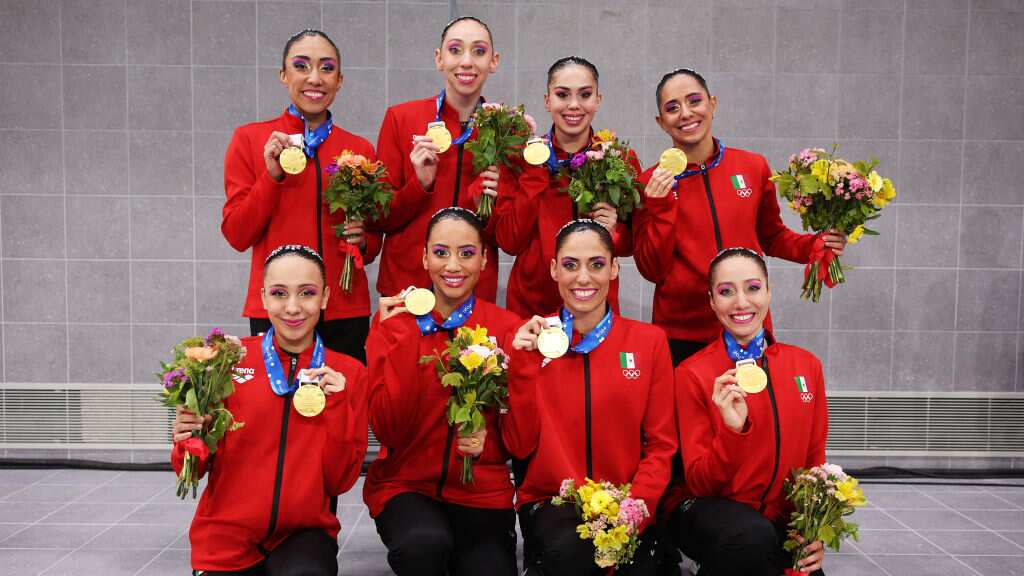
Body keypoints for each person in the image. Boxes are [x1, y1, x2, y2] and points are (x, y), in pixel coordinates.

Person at [171, 244, 368, 575]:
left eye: (307, 293)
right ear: (263, 298)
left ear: (325, 297)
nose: (292, 307)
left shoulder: (347, 373)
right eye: (279, 293)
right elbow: (190, 469)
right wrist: (189, 437)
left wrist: (337, 408)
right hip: (226, 535)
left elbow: (340, 480)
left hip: (303, 535)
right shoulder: (225, 361)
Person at [633, 68, 846, 366]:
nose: (685, 113)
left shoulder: (752, 166)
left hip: (747, 323)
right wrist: (660, 207)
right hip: (683, 332)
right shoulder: (649, 183)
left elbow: (772, 236)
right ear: (661, 122)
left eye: (694, 101)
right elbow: (652, 269)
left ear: (713, 104)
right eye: (672, 107)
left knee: (751, 413)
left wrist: (815, 246)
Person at [502, 219, 677, 576]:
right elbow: (517, 447)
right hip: (554, 502)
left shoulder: (649, 342)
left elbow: (661, 446)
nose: (583, 278)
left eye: (596, 264)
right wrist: (521, 367)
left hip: (626, 501)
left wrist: (633, 508)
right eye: (570, 265)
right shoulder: (530, 340)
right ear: (554, 269)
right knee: (575, 555)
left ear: (614, 268)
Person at [364, 207, 520, 575]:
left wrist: (488, 445)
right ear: (424, 257)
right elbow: (387, 428)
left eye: (467, 253)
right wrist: (397, 336)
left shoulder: (505, 328)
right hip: (406, 486)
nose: (453, 265)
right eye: (440, 252)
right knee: (424, 546)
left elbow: (522, 435)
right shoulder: (394, 323)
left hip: (482, 491)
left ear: (484, 259)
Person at [665, 247, 828, 576]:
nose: (741, 303)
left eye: (753, 288)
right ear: (712, 301)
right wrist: (732, 431)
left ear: (769, 291)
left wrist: (813, 530)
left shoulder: (806, 366)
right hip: (703, 510)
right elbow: (700, 483)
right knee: (750, 537)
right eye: (726, 292)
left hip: (773, 520)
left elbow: (813, 461)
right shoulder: (693, 374)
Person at [222, 29, 378, 363]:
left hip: (344, 308)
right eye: (302, 66)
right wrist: (272, 175)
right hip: (279, 307)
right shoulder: (250, 140)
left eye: (326, 68)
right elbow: (237, 233)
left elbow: (374, 241)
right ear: (284, 75)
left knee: (344, 406)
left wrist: (363, 240)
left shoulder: (360, 150)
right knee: (278, 409)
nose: (315, 78)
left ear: (340, 80)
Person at [494, 56, 637, 318]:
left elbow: (631, 244)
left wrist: (614, 229)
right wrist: (534, 173)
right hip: (530, 308)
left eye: (585, 94)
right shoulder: (521, 158)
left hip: (595, 306)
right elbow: (509, 241)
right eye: (562, 94)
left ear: (598, 99)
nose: (573, 105)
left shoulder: (620, 159)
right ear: (548, 100)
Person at [373, 16, 503, 302]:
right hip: (407, 286)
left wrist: (492, 201)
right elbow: (380, 218)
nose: (466, 62)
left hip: (474, 288)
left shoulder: (505, 130)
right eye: (455, 50)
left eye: (479, 51)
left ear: (493, 61)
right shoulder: (401, 118)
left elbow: (509, 236)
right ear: (439, 58)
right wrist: (419, 184)